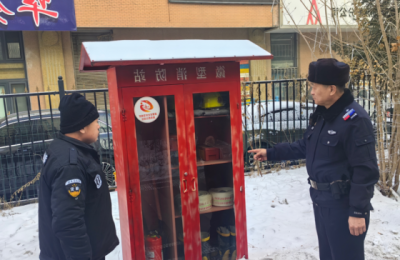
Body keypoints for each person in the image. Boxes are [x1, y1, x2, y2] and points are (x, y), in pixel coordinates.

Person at [249, 59, 379, 260]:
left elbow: (365, 170)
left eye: (314, 87)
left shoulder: (355, 120)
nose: (311, 91)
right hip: (322, 201)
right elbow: (305, 146)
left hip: (343, 206)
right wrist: (271, 153)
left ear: (332, 89)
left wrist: (358, 212)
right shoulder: (323, 115)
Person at [39, 93, 119, 260]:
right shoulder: (70, 165)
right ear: (82, 127)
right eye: (95, 122)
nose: (98, 126)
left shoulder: (63, 148)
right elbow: (68, 224)